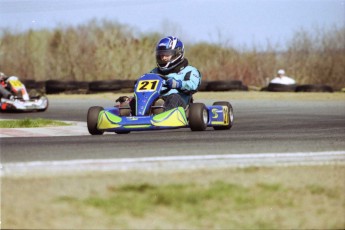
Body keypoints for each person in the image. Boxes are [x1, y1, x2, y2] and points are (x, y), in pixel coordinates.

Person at [117, 36, 202, 115]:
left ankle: (165, 113)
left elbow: (193, 85)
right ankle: (126, 114)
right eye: (161, 55)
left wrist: (178, 84)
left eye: (167, 55)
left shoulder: (189, 70)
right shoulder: (155, 71)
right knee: (137, 99)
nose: (163, 58)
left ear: (178, 53)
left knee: (173, 97)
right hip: (156, 98)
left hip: (181, 104)